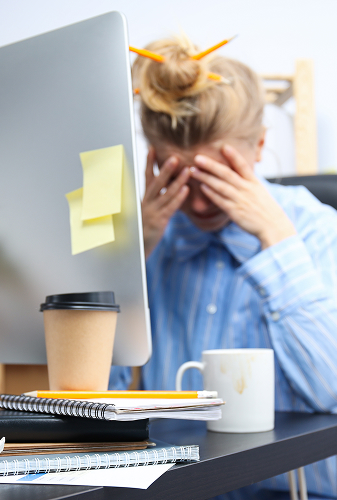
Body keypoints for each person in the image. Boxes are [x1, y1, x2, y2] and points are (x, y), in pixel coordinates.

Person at [110, 34, 337, 499]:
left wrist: (276, 240)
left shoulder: (318, 232)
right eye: (178, 176)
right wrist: (133, 253)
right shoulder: (151, 241)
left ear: (258, 146)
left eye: (215, 177)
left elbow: (329, 392)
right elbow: (92, 397)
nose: (196, 201)